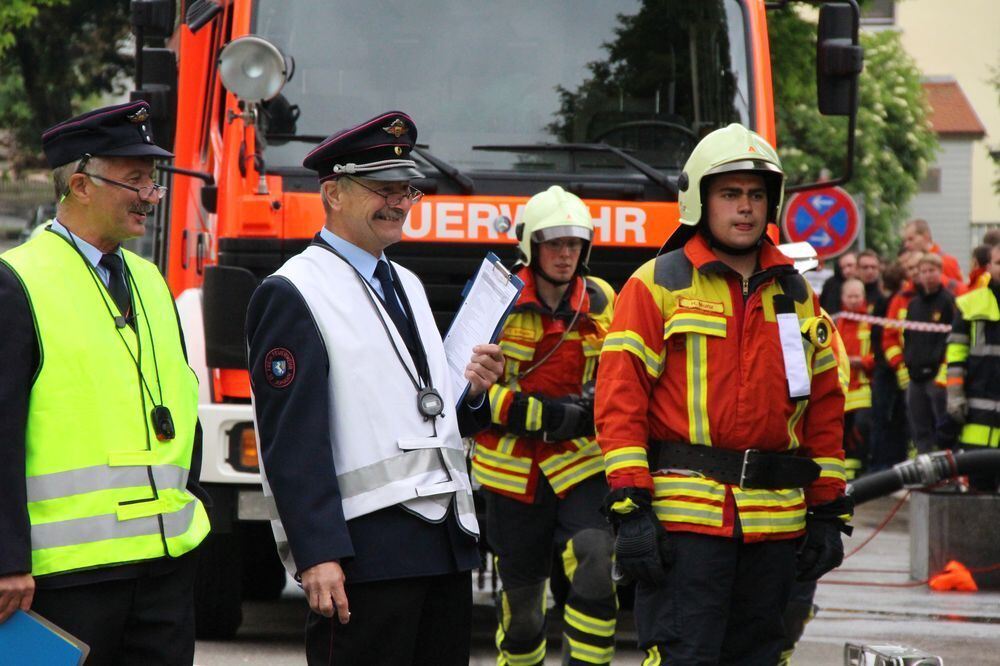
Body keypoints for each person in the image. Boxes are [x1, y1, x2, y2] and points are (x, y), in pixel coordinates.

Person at [245, 110, 505, 665]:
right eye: (381, 189)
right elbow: (292, 443)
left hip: (444, 547)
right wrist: (316, 555)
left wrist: (474, 395)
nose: (398, 202)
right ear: (333, 193)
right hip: (366, 553)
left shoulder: (405, 281)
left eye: (406, 189)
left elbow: (425, 414)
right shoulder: (294, 290)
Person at [594, 123, 850, 664]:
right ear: (700, 202)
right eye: (730, 194)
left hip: (776, 529)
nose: (745, 208)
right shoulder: (657, 284)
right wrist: (630, 504)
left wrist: (827, 510)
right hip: (687, 527)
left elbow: (824, 408)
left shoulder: (798, 295)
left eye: (756, 195)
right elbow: (620, 400)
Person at [0, 101, 210, 664]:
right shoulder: (18, 281)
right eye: (135, 179)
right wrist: (6, 559)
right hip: (63, 581)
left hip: (164, 570)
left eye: (153, 180)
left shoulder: (149, 279)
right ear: (80, 183)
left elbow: (179, 401)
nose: (151, 194)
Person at [471, 186, 617, 666]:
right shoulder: (496, 298)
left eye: (574, 244)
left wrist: (596, 408)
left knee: (595, 558)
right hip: (512, 473)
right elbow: (466, 388)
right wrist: (545, 415)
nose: (565, 254)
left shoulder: (600, 301)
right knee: (524, 612)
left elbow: (620, 375)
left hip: (580, 463)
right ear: (531, 247)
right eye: (555, 244)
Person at [945, 243, 1000, 490]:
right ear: (988, 266)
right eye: (999, 263)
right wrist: (955, 396)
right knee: (979, 490)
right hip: (978, 411)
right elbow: (956, 354)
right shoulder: (969, 304)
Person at [903, 253, 957, 454]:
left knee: (942, 425)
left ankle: (948, 470)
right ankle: (926, 468)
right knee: (919, 427)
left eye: (932, 271)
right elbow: (907, 336)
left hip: (937, 376)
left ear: (940, 272)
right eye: (923, 271)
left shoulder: (948, 301)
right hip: (915, 375)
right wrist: (908, 360)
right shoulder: (914, 304)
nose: (928, 276)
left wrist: (939, 364)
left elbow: (951, 338)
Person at [868, 261, 911, 471]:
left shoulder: (885, 302)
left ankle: (881, 466)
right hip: (891, 369)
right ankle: (887, 465)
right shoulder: (894, 302)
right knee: (893, 419)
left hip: (887, 368)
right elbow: (886, 338)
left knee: (886, 419)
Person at [837, 279, 874, 479]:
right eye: (850, 296)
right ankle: (848, 471)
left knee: (862, 427)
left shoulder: (870, 323)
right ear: (843, 298)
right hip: (841, 387)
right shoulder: (836, 322)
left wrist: (864, 362)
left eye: (857, 296)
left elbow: (878, 352)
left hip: (862, 386)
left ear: (864, 297)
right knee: (843, 431)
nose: (853, 300)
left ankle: (861, 466)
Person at [902, 218, 964, 285]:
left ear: (926, 236)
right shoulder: (912, 263)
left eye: (911, 239)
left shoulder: (947, 262)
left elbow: (957, 291)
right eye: (905, 241)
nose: (906, 245)